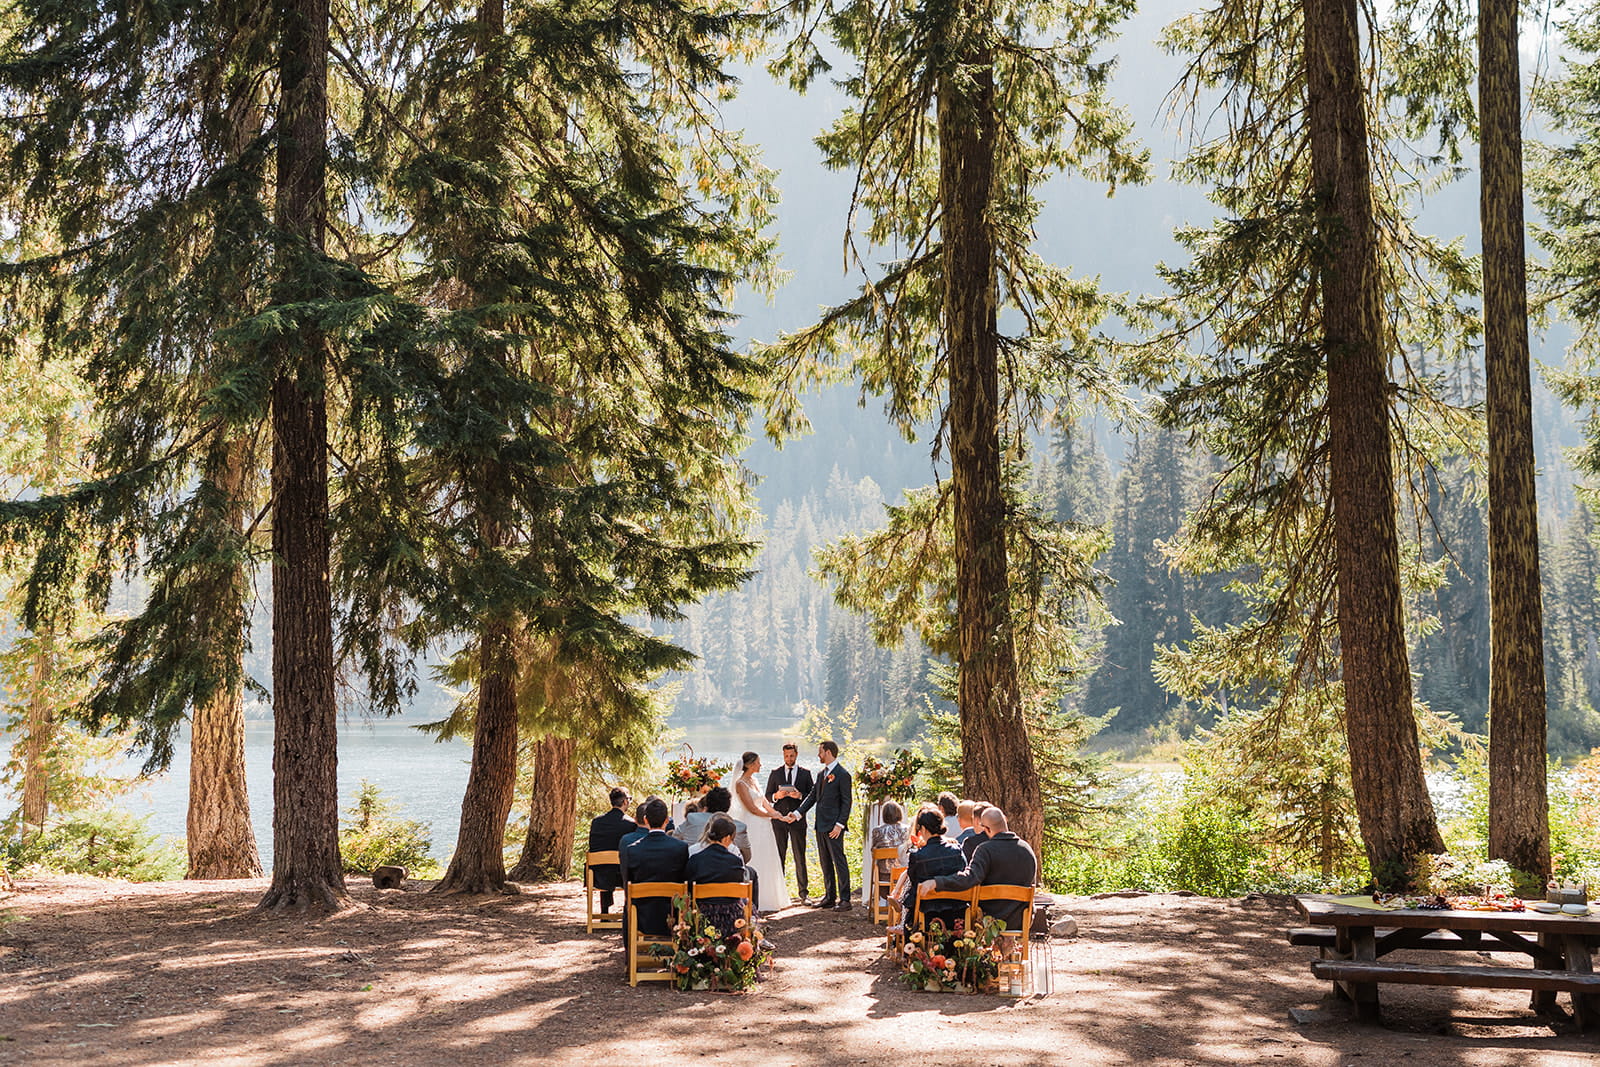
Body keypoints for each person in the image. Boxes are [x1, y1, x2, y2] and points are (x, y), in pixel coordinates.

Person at [922, 806, 1038, 930]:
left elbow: (969, 878)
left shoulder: (985, 850)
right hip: (1020, 919)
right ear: (1004, 820)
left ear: (987, 829)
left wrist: (937, 882)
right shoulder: (1027, 849)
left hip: (989, 920)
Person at [790, 739, 853, 909]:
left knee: (839, 861)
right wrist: (797, 813)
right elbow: (812, 797)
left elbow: (847, 802)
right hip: (820, 825)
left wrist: (840, 824)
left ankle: (845, 899)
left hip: (834, 827)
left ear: (828, 752)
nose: (818, 755)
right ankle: (829, 896)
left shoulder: (843, 774)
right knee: (825, 861)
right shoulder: (821, 774)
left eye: (820, 752)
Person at [731, 752, 793, 913]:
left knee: (768, 856)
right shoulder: (740, 784)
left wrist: (778, 815)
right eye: (758, 763)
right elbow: (752, 808)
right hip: (751, 824)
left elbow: (764, 803)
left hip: (764, 824)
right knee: (755, 856)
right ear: (750, 765)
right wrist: (772, 816)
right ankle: (755, 899)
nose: (760, 765)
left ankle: (771, 897)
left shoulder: (754, 780)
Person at [621, 797, 689, 938]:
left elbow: (629, 884)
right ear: (666, 821)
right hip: (672, 915)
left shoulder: (632, 849)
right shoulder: (680, 848)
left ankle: (630, 954)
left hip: (642, 917)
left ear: (645, 820)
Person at [687, 814, 753, 936]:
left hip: (704, 915)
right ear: (727, 838)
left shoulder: (695, 859)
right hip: (731, 915)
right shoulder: (735, 861)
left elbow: (689, 887)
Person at [902, 807, 966, 932]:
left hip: (927, 914)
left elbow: (914, 880)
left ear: (924, 829)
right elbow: (964, 875)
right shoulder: (957, 850)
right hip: (956, 912)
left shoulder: (917, 856)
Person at [765, 742, 814, 902]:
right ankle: (779, 895)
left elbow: (812, 796)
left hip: (797, 820)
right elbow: (767, 796)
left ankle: (803, 894)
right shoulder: (775, 773)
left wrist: (799, 796)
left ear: (796, 755)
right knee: (779, 856)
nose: (789, 758)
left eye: (791, 755)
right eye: (786, 756)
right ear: (783, 755)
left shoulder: (805, 774)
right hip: (779, 821)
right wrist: (776, 796)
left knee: (800, 856)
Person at [586, 786, 634, 915]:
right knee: (623, 865)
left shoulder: (597, 822)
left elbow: (593, 846)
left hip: (598, 875)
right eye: (629, 799)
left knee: (605, 865)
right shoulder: (630, 824)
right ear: (624, 802)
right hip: (622, 876)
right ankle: (628, 912)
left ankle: (604, 912)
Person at [674, 786, 751, 860]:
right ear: (728, 806)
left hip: (691, 863)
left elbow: (676, 837)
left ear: (706, 803)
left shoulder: (693, 818)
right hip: (725, 867)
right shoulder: (739, 827)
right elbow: (746, 856)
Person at [868, 800, 908, 909]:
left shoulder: (877, 831)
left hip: (883, 875)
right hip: (903, 874)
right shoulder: (907, 830)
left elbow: (873, 850)